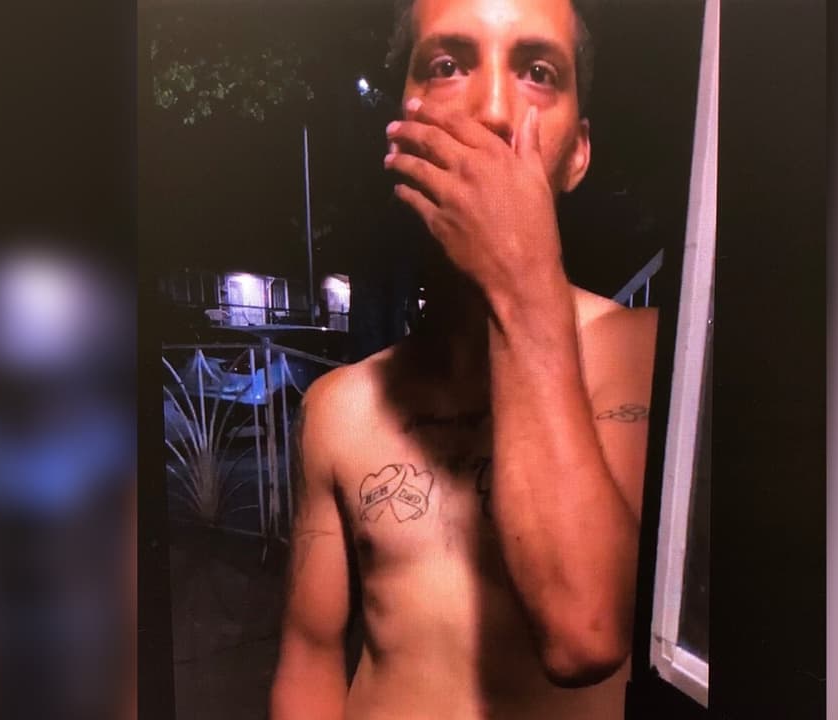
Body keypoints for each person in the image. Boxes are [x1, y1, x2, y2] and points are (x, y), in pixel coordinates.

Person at [269, 0, 658, 717]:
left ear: (578, 152)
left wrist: (521, 275)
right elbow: (311, 657)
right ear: (402, 129)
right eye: (448, 65)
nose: (495, 112)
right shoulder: (339, 407)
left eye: (538, 72)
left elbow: (586, 632)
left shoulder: (652, 361)